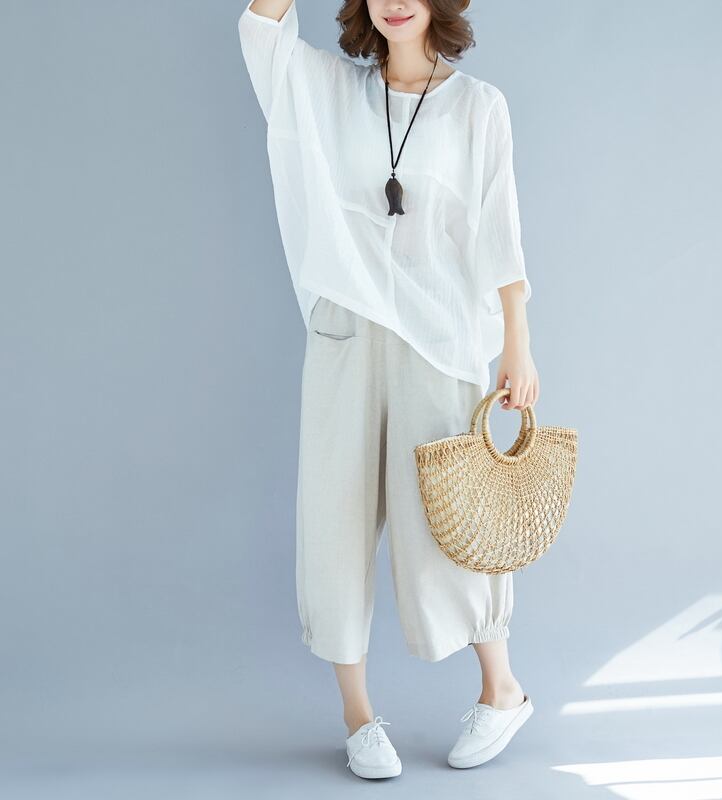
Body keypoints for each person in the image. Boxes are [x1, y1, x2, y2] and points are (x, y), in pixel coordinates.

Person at [237, 0, 539, 779]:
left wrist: (518, 342)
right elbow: (264, 33)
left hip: (439, 335)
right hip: (346, 331)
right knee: (333, 517)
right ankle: (359, 717)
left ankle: (503, 690)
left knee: (452, 515)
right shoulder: (331, 90)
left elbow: (499, 229)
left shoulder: (478, 106)